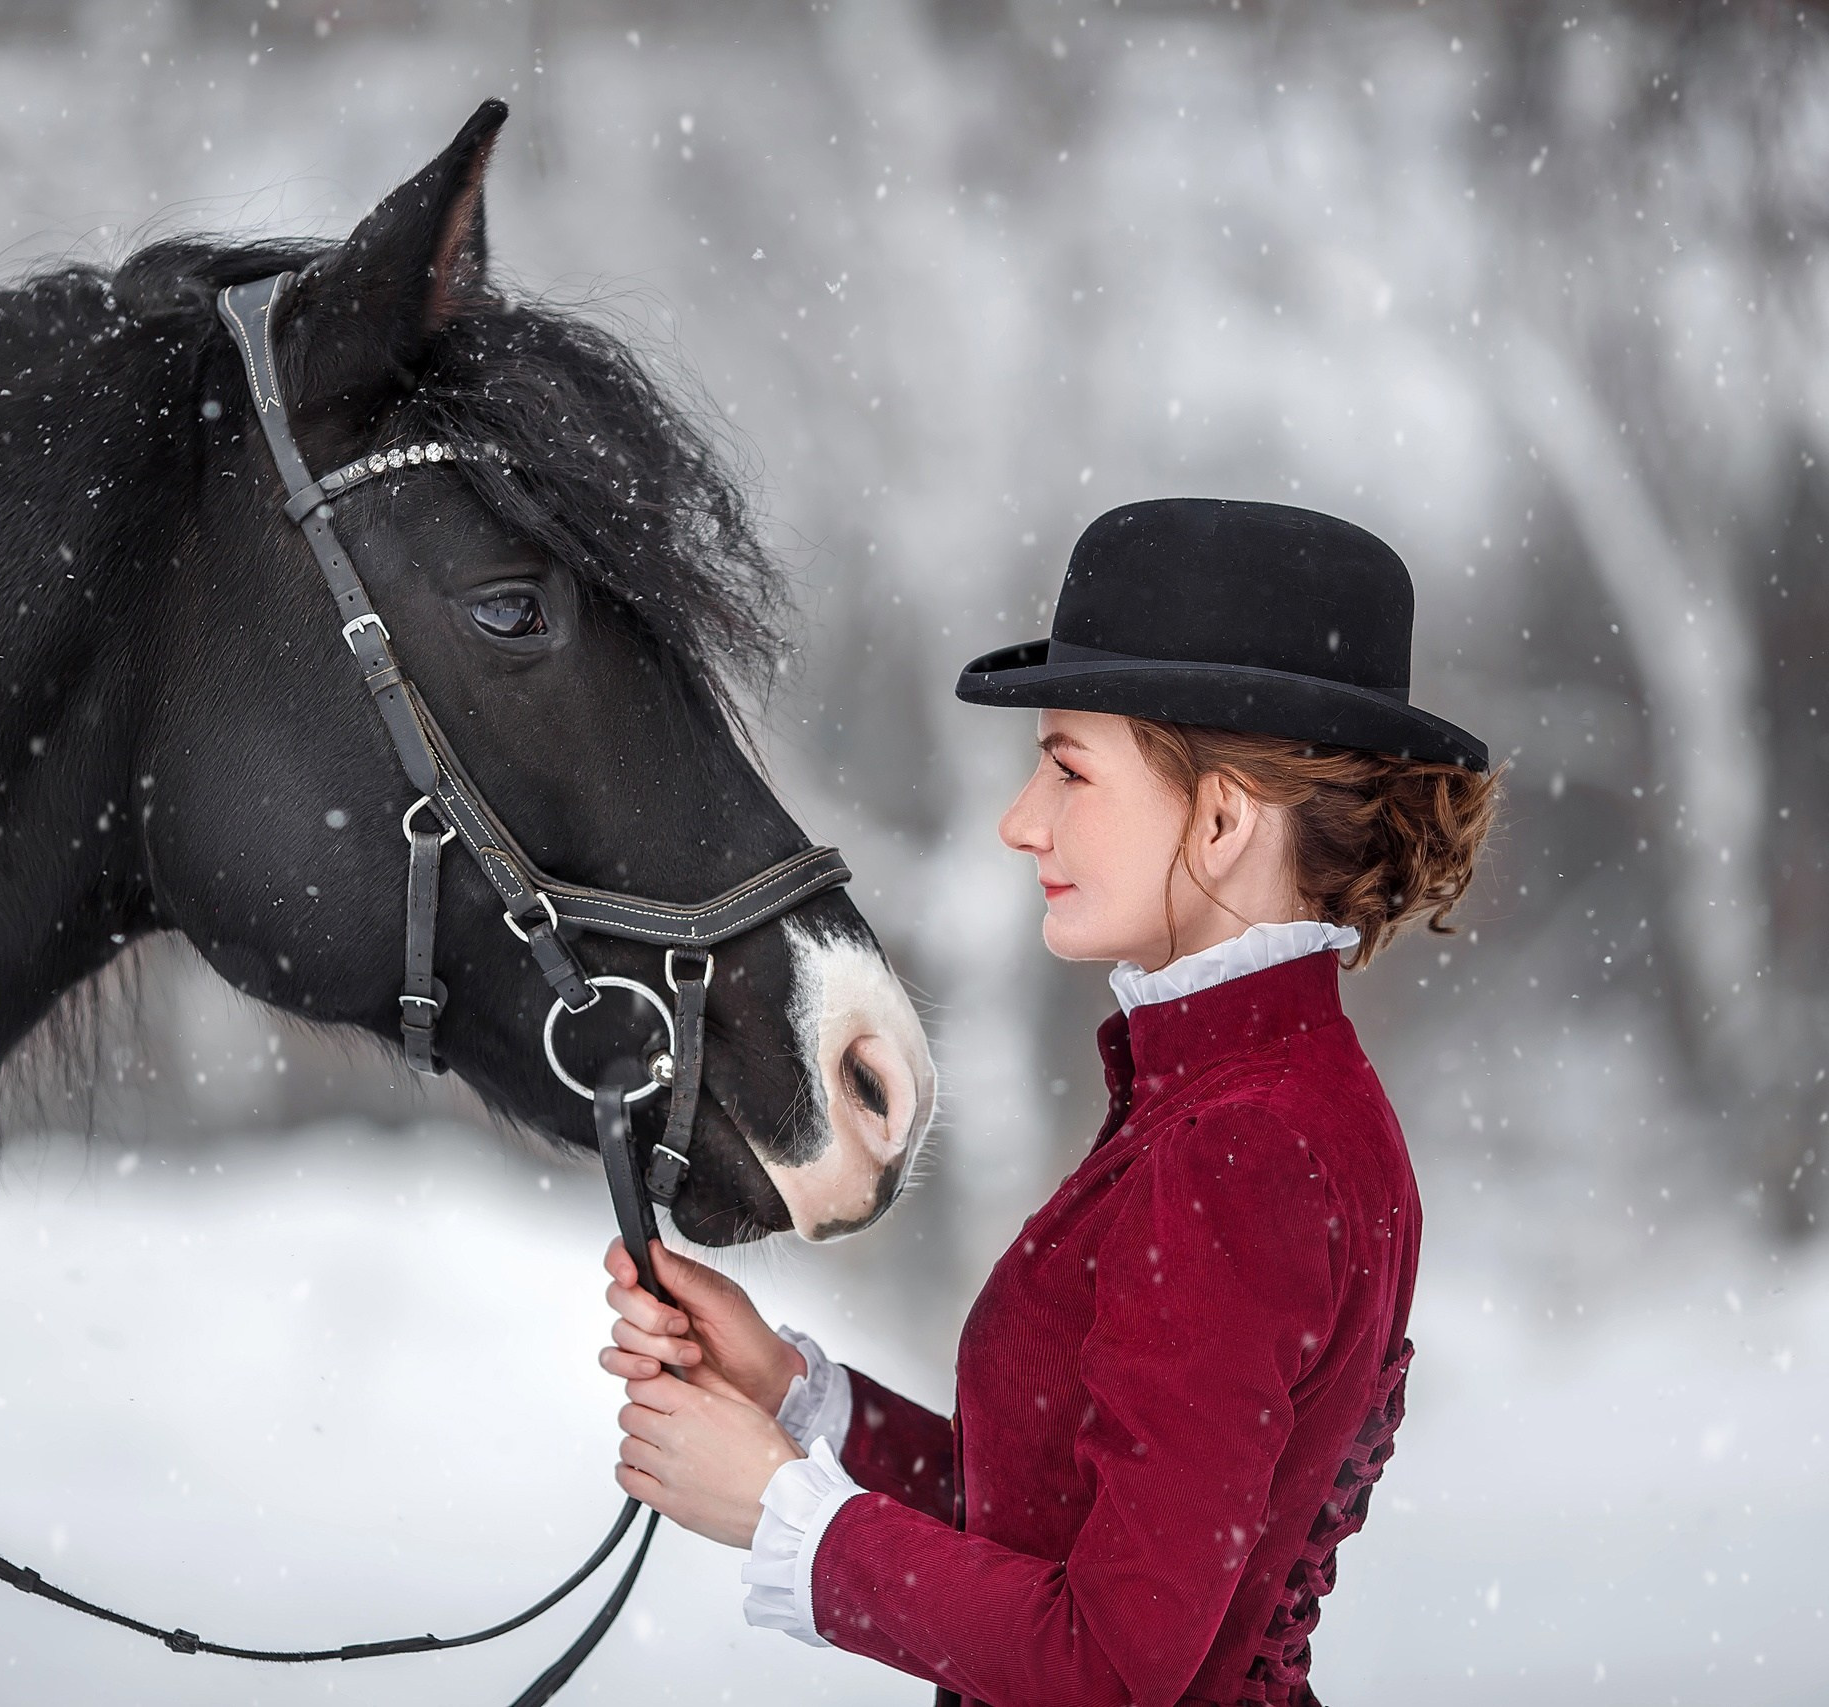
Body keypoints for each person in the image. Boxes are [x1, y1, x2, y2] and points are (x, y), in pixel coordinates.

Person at [601, 498, 1499, 1707]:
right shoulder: (1251, 1099)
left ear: (1223, 817)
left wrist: (783, 1512)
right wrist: (797, 1402)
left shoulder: (1242, 1143)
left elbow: (1113, 1665)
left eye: (1067, 769)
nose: (1023, 823)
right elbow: (1066, 1525)